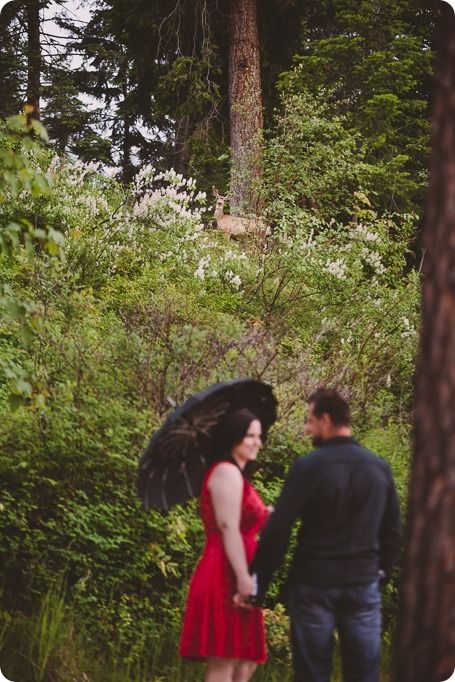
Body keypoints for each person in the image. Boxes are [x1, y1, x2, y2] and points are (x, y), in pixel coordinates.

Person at [250, 388, 402, 682]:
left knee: (311, 674)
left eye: (309, 420)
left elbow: (278, 529)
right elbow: (393, 531)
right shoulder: (379, 469)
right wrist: (379, 573)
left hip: (313, 585)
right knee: (363, 674)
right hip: (362, 584)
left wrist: (260, 582)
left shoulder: (308, 468)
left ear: (326, 420)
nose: (307, 428)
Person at [179, 407, 270, 682]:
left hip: (239, 569)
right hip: (224, 572)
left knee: (245, 662)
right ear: (233, 438)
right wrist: (243, 577)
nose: (257, 442)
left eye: (259, 435)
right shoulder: (226, 472)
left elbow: (243, 521)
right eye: (250, 436)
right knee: (225, 664)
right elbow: (228, 526)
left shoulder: (238, 477)